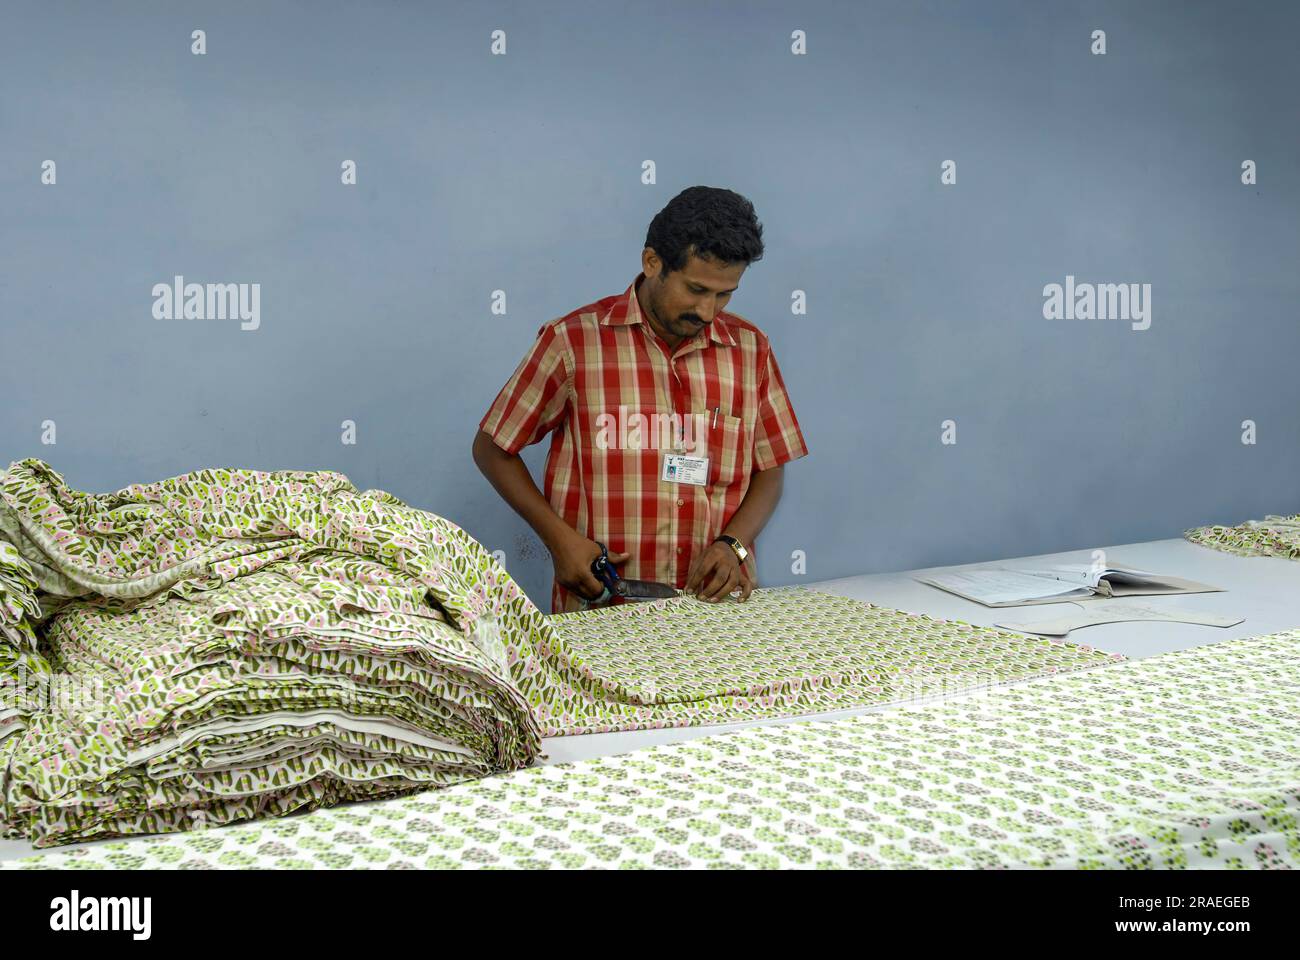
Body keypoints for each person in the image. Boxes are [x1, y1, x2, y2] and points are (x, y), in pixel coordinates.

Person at [472, 186, 808, 613]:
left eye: (724, 295)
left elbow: (770, 471)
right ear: (653, 263)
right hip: (603, 604)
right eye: (696, 289)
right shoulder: (574, 342)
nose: (708, 311)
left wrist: (734, 546)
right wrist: (560, 541)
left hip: (714, 609)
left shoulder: (749, 348)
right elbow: (492, 448)